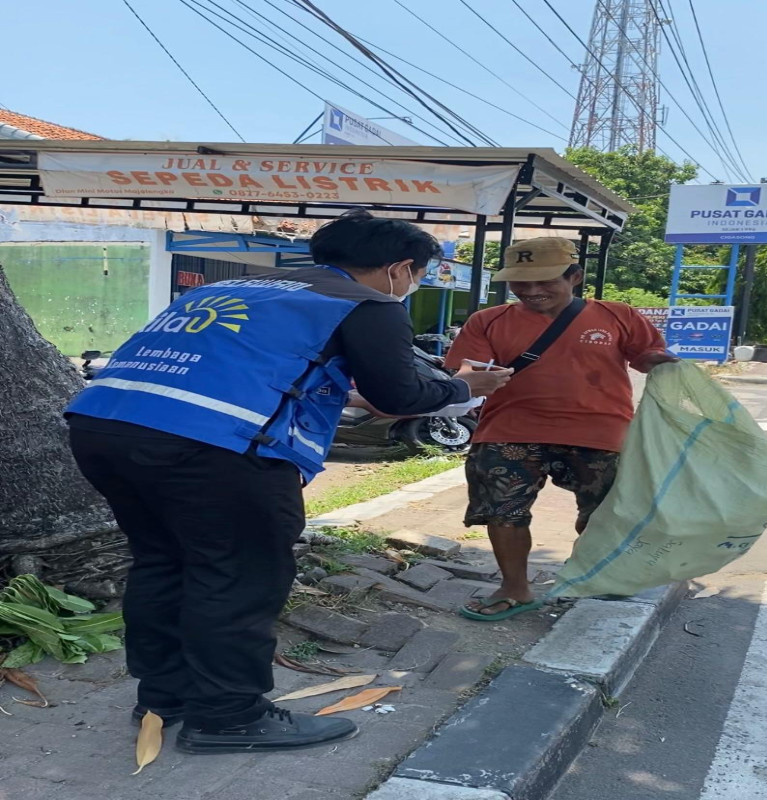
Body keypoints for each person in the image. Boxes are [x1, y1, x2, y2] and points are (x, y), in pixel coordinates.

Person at [65, 210, 512, 753]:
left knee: (164, 561)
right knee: (239, 574)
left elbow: (251, 368)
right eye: (417, 275)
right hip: (210, 446)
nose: (411, 285)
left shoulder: (235, 289)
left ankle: (166, 695)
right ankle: (229, 715)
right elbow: (399, 396)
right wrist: (463, 388)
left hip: (104, 425)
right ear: (399, 269)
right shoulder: (366, 304)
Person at [445, 237, 677, 621]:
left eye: (545, 281)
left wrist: (666, 364)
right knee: (504, 510)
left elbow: (647, 355)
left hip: (600, 432)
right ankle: (515, 588)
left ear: (575, 277)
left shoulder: (617, 315)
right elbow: (467, 370)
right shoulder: (487, 321)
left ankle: (595, 574)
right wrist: (477, 376)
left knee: (605, 513)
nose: (532, 292)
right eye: (520, 283)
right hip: (510, 431)